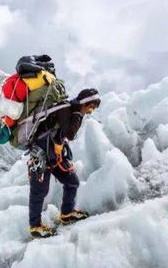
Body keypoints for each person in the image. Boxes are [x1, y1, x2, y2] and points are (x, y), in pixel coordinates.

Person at [28, 88, 101, 238]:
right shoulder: (67, 110)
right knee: (39, 191)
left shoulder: (73, 110)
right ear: (84, 102)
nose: (91, 111)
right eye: (91, 106)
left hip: (54, 155)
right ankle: (35, 226)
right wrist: (76, 113)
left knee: (72, 181)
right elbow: (70, 134)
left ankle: (67, 213)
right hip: (41, 154)